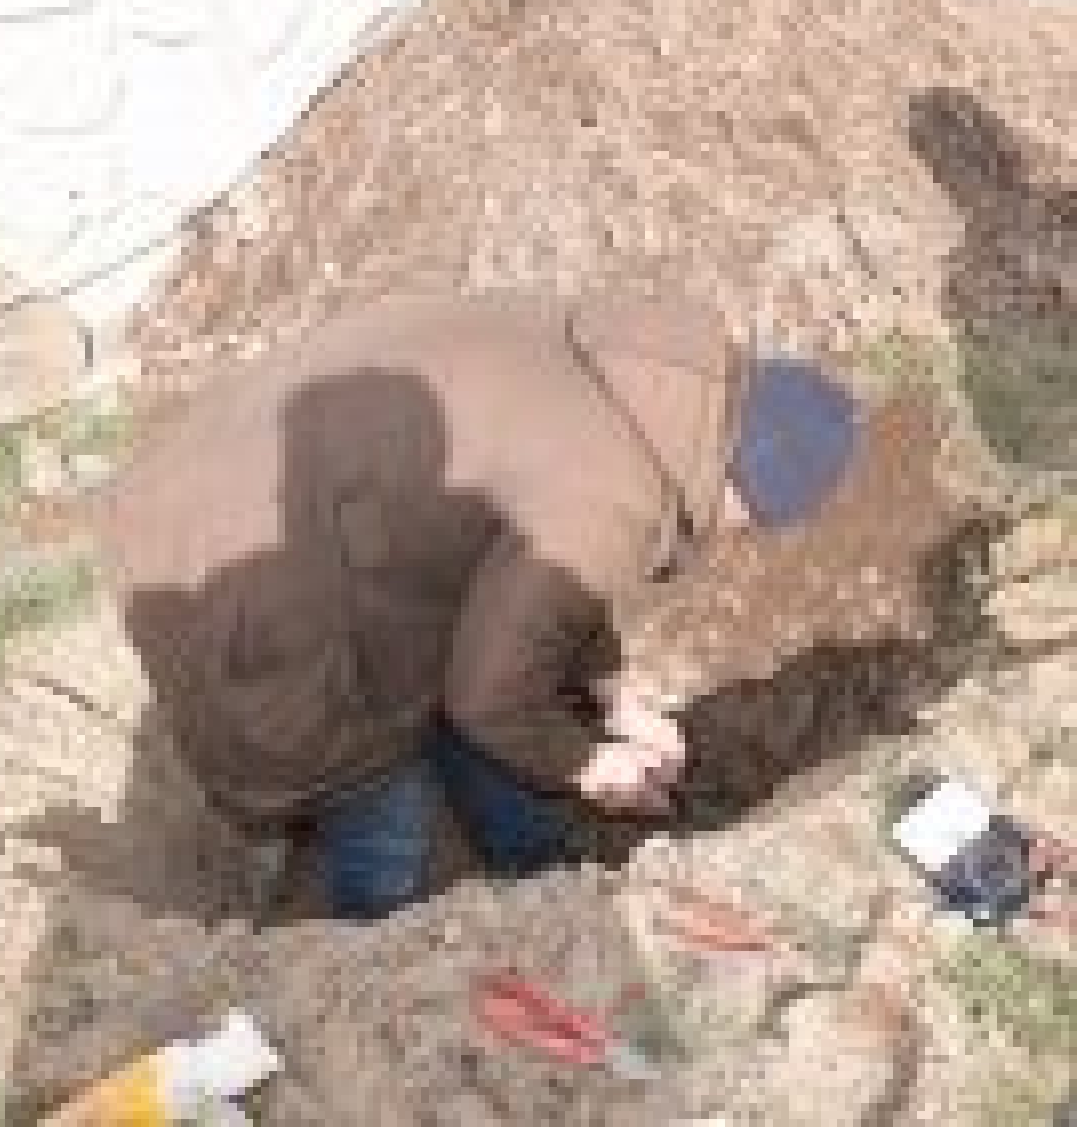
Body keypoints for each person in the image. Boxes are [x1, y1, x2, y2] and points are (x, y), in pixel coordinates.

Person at [95, 289, 857, 919]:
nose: (733, 535)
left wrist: (614, 697)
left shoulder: (633, 383)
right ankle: (374, 947)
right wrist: (590, 762)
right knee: (381, 810)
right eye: (748, 522)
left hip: (280, 494)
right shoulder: (612, 494)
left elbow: (542, 569)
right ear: (742, 482)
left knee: (487, 701)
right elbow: (489, 693)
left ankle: (536, 873)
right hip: (241, 568)